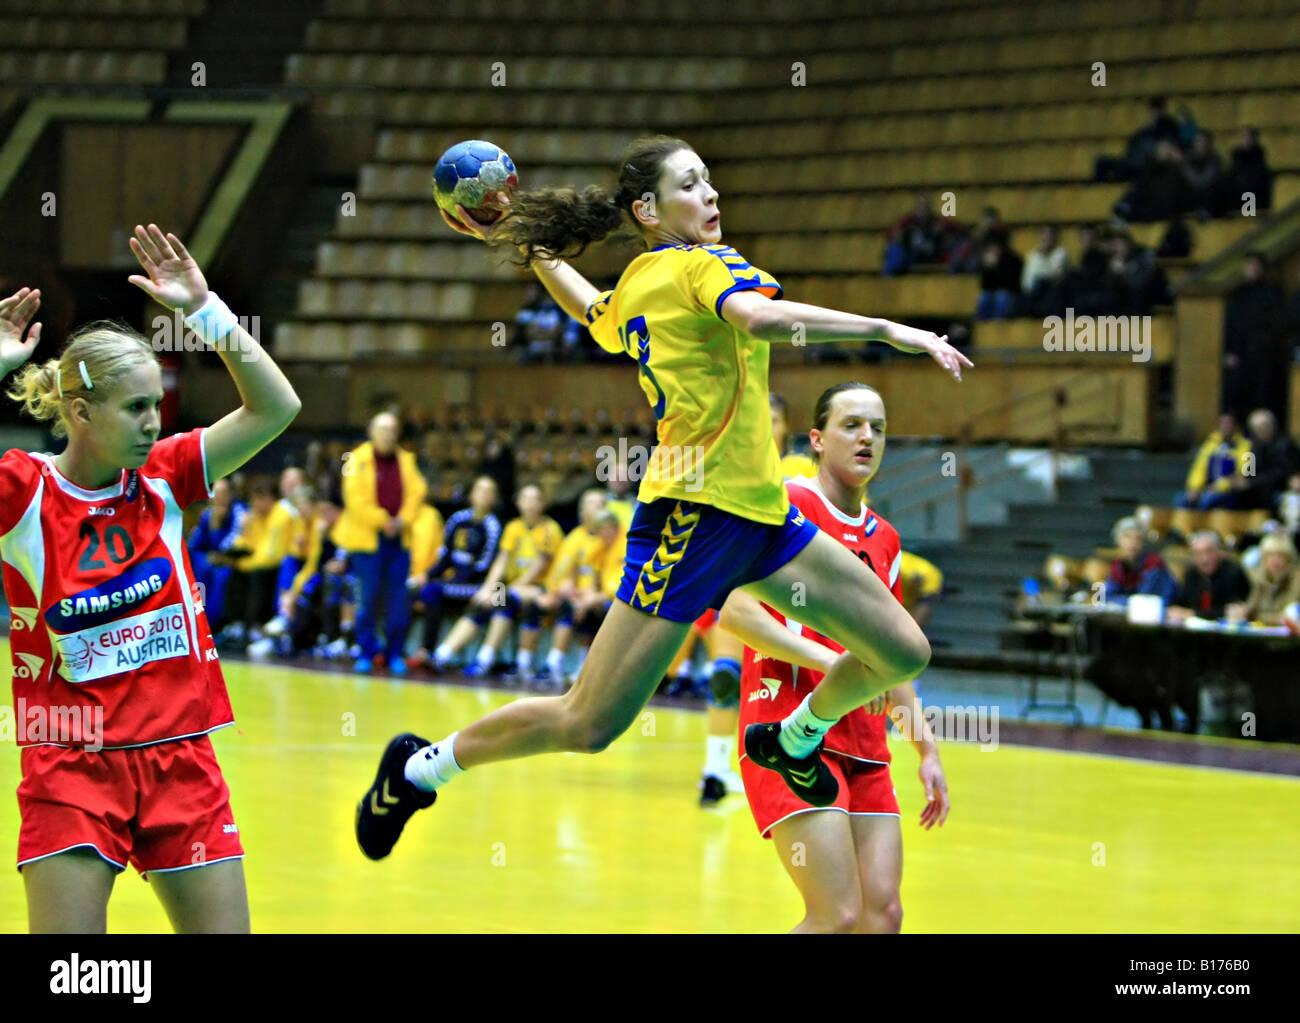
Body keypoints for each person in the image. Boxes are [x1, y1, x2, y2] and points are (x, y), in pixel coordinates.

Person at [355, 134, 970, 862]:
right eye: (691, 184)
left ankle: (793, 736)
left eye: (711, 181)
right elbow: (764, 320)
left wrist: (535, 249)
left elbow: (593, 314)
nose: (711, 195)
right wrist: (889, 328)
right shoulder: (699, 266)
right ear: (647, 209)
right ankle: (420, 767)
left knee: (902, 650)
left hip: (762, 519)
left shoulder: (648, 279)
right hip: (691, 520)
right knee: (588, 722)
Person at [0, 224, 300, 932]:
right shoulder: (22, 492)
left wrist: (206, 312)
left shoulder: (166, 474)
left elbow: (275, 408)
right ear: (79, 412)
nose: (153, 421)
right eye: (135, 408)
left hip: (180, 756)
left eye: (156, 405)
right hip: (70, 759)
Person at [719, 382, 949, 933]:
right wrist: (835, 665)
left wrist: (927, 749)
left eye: (878, 427)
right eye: (852, 425)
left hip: (864, 741)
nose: (867, 437)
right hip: (784, 728)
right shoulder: (787, 505)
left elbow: (893, 655)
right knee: (836, 916)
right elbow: (732, 611)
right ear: (817, 440)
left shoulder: (886, 540)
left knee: (882, 915)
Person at [334, 411, 427, 675]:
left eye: (392, 430)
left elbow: (417, 494)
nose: (388, 435)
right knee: (367, 599)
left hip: (399, 542)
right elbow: (354, 500)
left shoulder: (407, 460)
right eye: (382, 430)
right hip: (368, 543)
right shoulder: (354, 459)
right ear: (371, 432)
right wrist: (383, 520)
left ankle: (394, 653)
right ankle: (366, 652)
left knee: (398, 601)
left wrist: (401, 521)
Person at [458, 483, 563, 679]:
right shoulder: (514, 527)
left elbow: (536, 569)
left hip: (541, 589)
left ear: (543, 503)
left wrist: (502, 591)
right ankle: (444, 654)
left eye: (535, 499)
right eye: (526, 498)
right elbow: (502, 561)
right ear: (518, 502)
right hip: (515, 589)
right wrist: (488, 588)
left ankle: (485, 660)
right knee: (483, 603)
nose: (530, 504)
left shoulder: (550, 529)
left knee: (503, 598)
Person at [405, 475, 501, 671]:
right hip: (453, 583)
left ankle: (430, 651)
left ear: (494, 498)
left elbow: (484, 566)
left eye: (488, 491)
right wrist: (426, 575)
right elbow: (445, 558)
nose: (483, 495)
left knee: (434, 590)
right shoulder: (458, 519)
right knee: (409, 591)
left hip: (479, 586)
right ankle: (395, 651)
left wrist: (448, 581)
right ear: (472, 494)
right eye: (480, 489)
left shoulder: (493, 525)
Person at [186, 476, 246, 631]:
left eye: (223, 493)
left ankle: (214, 623)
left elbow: (233, 541)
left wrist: (217, 528)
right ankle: (198, 615)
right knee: (199, 569)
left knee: (220, 576)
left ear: (230, 494)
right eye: (215, 493)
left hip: (232, 561)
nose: (219, 497)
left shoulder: (239, 511)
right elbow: (194, 544)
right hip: (212, 561)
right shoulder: (207, 514)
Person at [1166, 531, 1251, 622]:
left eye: (1208, 551)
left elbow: (1231, 610)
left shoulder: (1233, 573)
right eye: (1198, 554)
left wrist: (1192, 614)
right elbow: (1181, 603)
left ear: (1219, 552)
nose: (1204, 559)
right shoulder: (1191, 573)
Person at [1176, 412, 1251, 510]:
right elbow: (1199, 469)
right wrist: (1195, 488)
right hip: (1207, 489)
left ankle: (1201, 524)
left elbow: (1243, 474)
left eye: (1229, 423)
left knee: (1207, 500)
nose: (1225, 426)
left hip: (1230, 492)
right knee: (1181, 499)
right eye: (1222, 423)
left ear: (1236, 426)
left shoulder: (1246, 446)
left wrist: (1220, 486)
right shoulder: (1210, 444)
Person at [1228, 533, 1300, 626]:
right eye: (1270, 556)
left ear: (1289, 559)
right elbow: (1250, 610)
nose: (1275, 561)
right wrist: (1240, 612)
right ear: (1264, 559)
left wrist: (1258, 617)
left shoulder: (1296, 581)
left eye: (1280, 556)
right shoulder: (1260, 581)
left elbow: (1288, 617)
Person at [1104, 516, 1177, 603]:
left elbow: (1144, 600)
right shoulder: (1118, 566)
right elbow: (1107, 596)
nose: (1133, 542)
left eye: (1138, 538)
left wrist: (1121, 601)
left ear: (1143, 542)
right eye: (1127, 537)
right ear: (1118, 541)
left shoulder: (1153, 565)